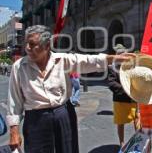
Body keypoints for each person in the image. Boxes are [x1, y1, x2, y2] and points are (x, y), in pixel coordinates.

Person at [6, 25, 135, 153]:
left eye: (32, 44)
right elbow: (14, 101)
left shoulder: (63, 60)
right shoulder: (19, 67)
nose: (27, 48)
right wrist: (14, 131)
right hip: (35, 120)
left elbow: (88, 61)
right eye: (26, 43)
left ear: (47, 46)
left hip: (64, 114)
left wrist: (112, 58)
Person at [108, 44, 139, 147]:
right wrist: (125, 90)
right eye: (120, 55)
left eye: (123, 55)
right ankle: (122, 143)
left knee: (137, 119)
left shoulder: (131, 66)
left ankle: (138, 140)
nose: (122, 57)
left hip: (133, 99)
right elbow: (111, 83)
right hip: (120, 99)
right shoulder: (112, 68)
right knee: (120, 122)